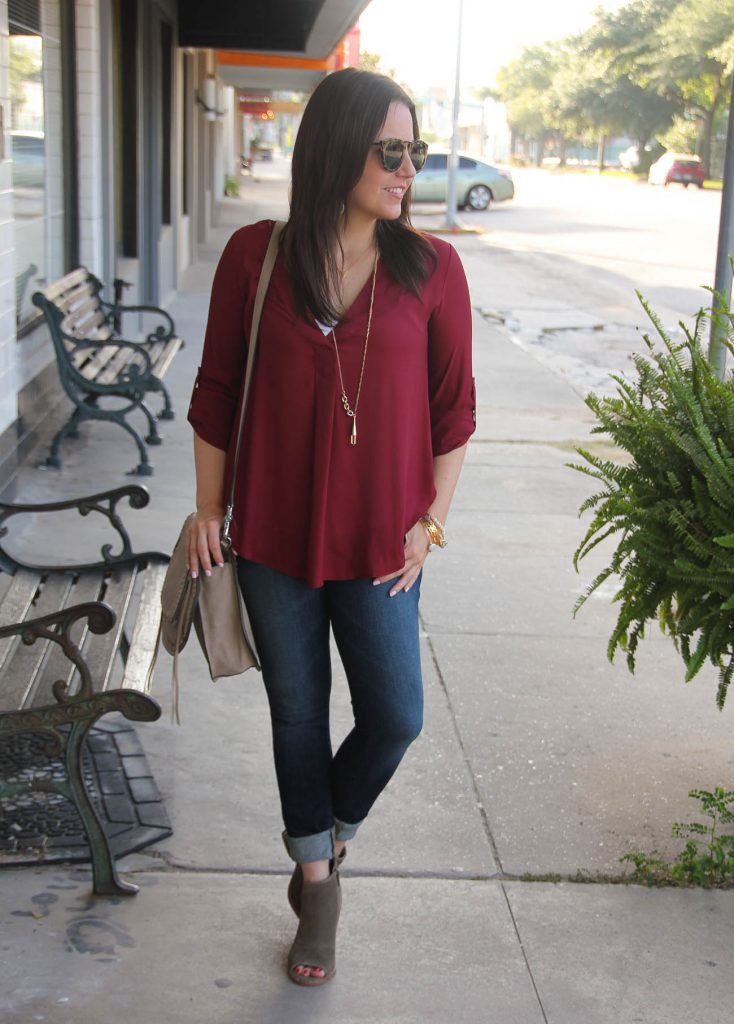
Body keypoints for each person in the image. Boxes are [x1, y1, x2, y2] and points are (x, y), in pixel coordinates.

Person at [186, 67, 475, 987]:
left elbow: (454, 412)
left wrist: (431, 523)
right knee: (297, 714)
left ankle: (327, 841)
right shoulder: (254, 258)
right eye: (390, 151)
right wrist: (206, 506)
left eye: (415, 152)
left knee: (396, 714)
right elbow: (217, 391)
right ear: (335, 149)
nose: (406, 169)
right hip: (271, 533)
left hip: (385, 544)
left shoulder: (431, 269)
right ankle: (318, 886)